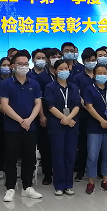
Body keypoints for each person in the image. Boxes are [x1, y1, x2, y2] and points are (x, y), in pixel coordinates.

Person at [0, 50, 44, 202]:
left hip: (30, 126)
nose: (23, 67)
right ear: (13, 66)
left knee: (29, 157)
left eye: (25, 64)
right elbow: (4, 105)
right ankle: (10, 188)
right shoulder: (6, 84)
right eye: (20, 64)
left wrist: (29, 120)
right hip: (12, 127)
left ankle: (27, 187)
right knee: (10, 158)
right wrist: (20, 120)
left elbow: (38, 103)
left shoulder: (34, 83)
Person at [43, 60, 81, 196]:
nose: (64, 71)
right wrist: (64, 119)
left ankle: (68, 185)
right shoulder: (50, 87)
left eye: (66, 68)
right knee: (58, 155)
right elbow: (50, 105)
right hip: (56, 126)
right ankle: (59, 185)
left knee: (70, 155)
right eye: (61, 68)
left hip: (72, 125)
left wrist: (69, 118)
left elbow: (77, 104)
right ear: (55, 71)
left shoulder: (73, 87)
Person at [83, 64, 107, 194]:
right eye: (99, 73)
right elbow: (89, 107)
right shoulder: (89, 89)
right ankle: (91, 182)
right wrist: (101, 120)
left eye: (104, 73)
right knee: (92, 156)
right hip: (95, 127)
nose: (102, 75)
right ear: (94, 75)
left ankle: (105, 181)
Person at [72, 48, 98, 181]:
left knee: (98, 144)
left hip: (99, 115)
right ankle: (80, 171)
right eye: (88, 60)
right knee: (82, 144)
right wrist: (88, 107)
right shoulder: (78, 77)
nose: (91, 62)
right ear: (83, 61)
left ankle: (98, 171)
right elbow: (77, 95)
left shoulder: (100, 74)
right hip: (83, 114)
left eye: (93, 60)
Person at [30, 48, 53, 185]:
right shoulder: (37, 77)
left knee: (51, 146)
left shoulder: (56, 74)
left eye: (43, 58)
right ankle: (46, 173)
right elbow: (39, 99)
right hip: (38, 115)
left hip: (55, 115)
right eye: (39, 58)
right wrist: (41, 115)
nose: (41, 60)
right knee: (43, 146)